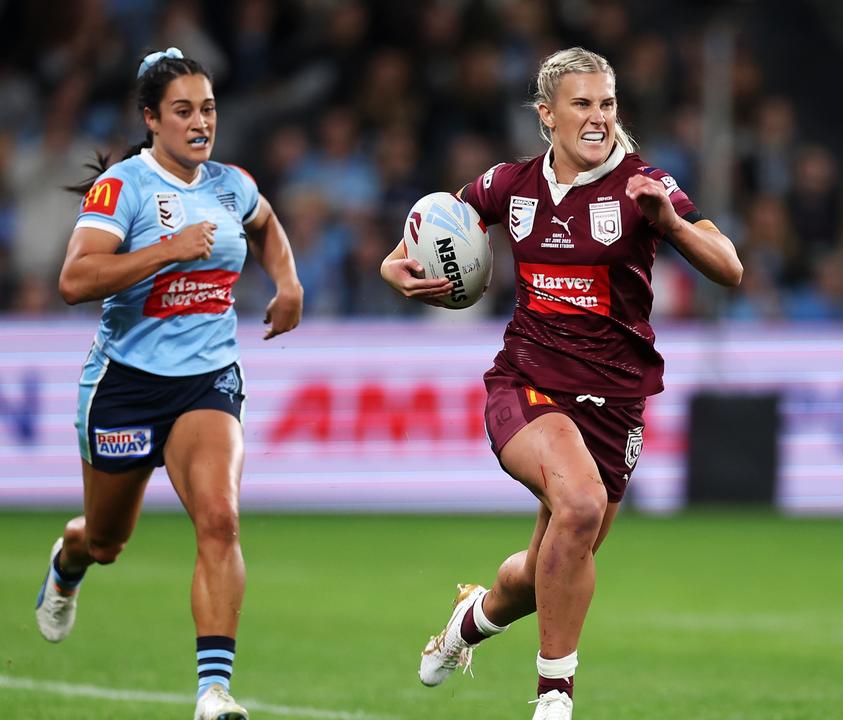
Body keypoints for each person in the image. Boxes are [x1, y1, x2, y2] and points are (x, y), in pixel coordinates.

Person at [380, 47, 740, 720]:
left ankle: (469, 618)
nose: (598, 117)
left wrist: (670, 225)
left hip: (615, 408)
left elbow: (729, 266)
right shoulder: (509, 186)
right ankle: (554, 699)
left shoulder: (645, 185)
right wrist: (391, 268)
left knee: (547, 570)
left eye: (607, 103)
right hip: (526, 386)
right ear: (547, 115)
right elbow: (432, 231)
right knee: (578, 506)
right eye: (583, 103)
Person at [33, 48, 303, 720]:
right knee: (106, 542)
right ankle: (69, 562)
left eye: (207, 108)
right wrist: (166, 251)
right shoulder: (121, 189)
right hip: (126, 385)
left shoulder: (231, 184)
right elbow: (74, 281)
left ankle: (213, 692)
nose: (199, 122)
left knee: (220, 518)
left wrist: (290, 282)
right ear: (152, 119)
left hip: (206, 380)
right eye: (183, 110)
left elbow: (266, 226)